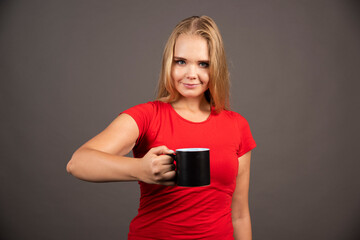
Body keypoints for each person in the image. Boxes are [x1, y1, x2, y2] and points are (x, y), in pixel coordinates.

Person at [67, 15, 256, 240]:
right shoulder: (148, 116)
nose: (191, 74)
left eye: (203, 64)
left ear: (216, 67)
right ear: (169, 63)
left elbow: (240, 215)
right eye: (181, 61)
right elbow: (78, 162)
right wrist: (141, 169)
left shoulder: (237, 125)